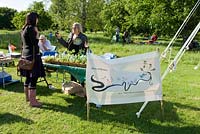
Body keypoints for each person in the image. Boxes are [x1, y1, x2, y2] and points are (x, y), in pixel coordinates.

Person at [20, 12, 45, 107]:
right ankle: (33, 101)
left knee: (28, 78)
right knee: (33, 78)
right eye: (37, 19)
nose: (38, 20)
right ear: (34, 19)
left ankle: (28, 98)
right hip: (32, 57)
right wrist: (37, 34)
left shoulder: (24, 28)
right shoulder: (31, 28)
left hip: (26, 55)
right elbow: (34, 43)